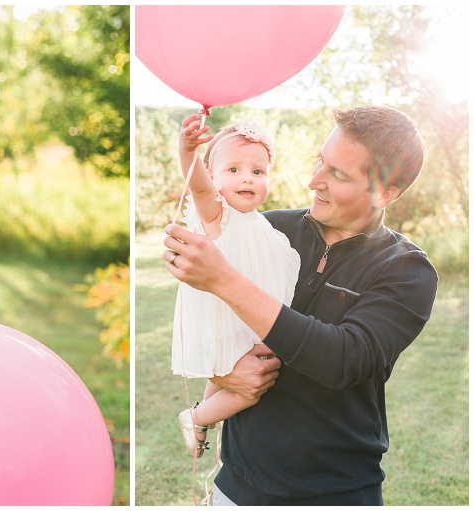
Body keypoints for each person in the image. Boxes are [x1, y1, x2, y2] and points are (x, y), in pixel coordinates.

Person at [163, 105, 437, 505]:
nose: (314, 182)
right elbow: (219, 317)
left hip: (333, 491)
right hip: (236, 484)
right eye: (320, 163)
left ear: (386, 192)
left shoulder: (407, 270)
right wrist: (225, 375)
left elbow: (342, 358)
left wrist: (224, 279)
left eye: (337, 174)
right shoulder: (271, 228)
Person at [169, 117, 300, 459]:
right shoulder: (217, 214)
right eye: (234, 170)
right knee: (250, 387)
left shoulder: (262, 224)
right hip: (225, 319)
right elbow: (197, 186)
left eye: (258, 172)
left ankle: (203, 416)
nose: (247, 178)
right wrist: (188, 151)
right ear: (214, 178)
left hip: (246, 319)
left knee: (234, 371)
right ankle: (197, 417)